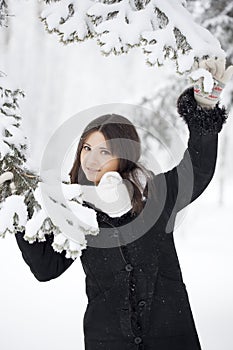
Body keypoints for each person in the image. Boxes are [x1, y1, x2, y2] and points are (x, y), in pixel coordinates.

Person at [16, 58, 233, 350]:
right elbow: (46, 267)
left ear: (124, 155)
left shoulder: (153, 193)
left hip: (170, 338)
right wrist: (16, 207)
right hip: (108, 341)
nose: (91, 160)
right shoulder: (76, 206)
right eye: (87, 148)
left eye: (104, 151)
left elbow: (199, 169)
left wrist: (203, 111)